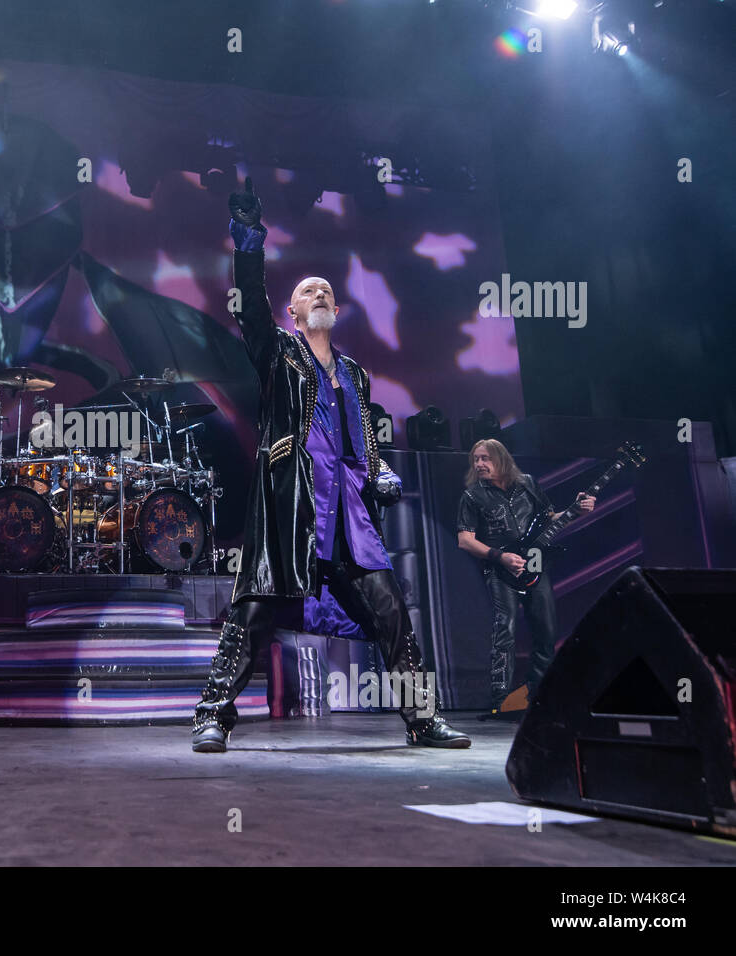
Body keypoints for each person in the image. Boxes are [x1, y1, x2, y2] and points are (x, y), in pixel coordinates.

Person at [191, 179, 470, 752]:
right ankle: (213, 716)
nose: (317, 293)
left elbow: (361, 437)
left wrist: (379, 470)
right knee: (252, 615)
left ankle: (422, 721)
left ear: (336, 310)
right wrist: (249, 239)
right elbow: (248, 299)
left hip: (350, 518)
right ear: (293, 314)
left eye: (324, 290)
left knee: (393, 617)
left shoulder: (356, 374)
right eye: (306, 292)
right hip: (294, 507)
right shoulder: (277, 356)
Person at [456, 439, 594, 713]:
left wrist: (574, 511)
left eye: (485, 458)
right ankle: (500, 702)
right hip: (499, 571)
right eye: (476, 459)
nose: (479, 464)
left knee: (546, 629)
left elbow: (549, 518)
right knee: (504, 631)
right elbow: (465, 541)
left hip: (535, 566)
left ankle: (539, 695)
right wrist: (501, 557)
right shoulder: (472, 496)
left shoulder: (528, 484)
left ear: (501, 459)